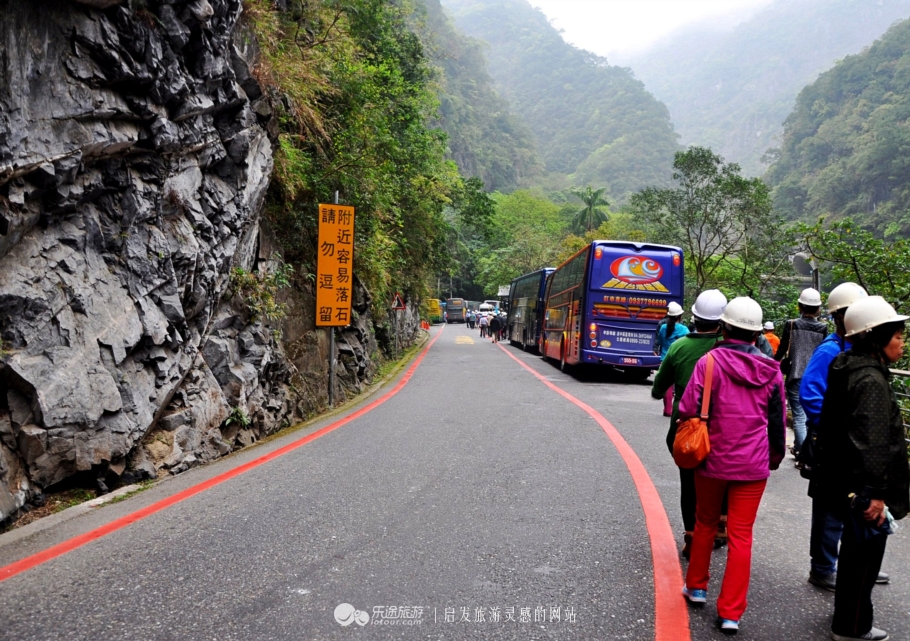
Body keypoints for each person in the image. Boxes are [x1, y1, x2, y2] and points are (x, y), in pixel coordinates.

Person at [679, 297, 786, 636]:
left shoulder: (708, 363)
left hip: (712, 459)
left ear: (724, 327)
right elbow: (777, 420)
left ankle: (696, 587)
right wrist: (776, 456)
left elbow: (687, 407)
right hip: (753, 465)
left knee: (706, 521)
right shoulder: (772, 372)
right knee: (742, 535)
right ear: (757, 335)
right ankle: (731, 613)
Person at [810, 296, 909, 641]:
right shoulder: (870, 381)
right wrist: (875, 495)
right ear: (874, 337)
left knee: (855, 559)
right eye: (896, 335)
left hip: (845, 482)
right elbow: (873, 442)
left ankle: (850, 623)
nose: (902, 341)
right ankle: (852, 628)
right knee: (862, 562)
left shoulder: (846, 365)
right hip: (864, 491)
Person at [799, 283, 891, 592]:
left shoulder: (861, 351)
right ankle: (823, 567)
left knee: (855, 508)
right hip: (835, 446)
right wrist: (831, 428)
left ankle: (856, 561)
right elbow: (810, 393)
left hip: (854, 448)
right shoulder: (830, 350)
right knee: (830, 510)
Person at [651, 289, 727, 558]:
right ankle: (720, 524)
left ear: (694, 317)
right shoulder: (729, 348)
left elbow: (659, 386)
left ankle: (691, 536)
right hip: (723, 427)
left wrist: (661, 393)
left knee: (689, 482)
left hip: (686, 428)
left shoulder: (680, 346)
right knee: (722, 477)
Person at [775, 288, 828, 459]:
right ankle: (804, 450)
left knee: (798, 415)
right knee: (812, 415)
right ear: (818, 308)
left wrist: (774, 365)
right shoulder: (823, 328)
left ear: (800, 306)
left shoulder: (792, 324)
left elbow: (782, 349)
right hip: (816, 376)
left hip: (795, 374)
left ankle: (802, 452)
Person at [654, 302, 689, 416]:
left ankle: (667, 409)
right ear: (680, 316)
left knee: (668, 385)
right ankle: (676, 409)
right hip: (680, 360)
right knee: (678, 384)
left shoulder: (663, 327)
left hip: (665, 358)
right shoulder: (684, 330)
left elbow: (661, 341)